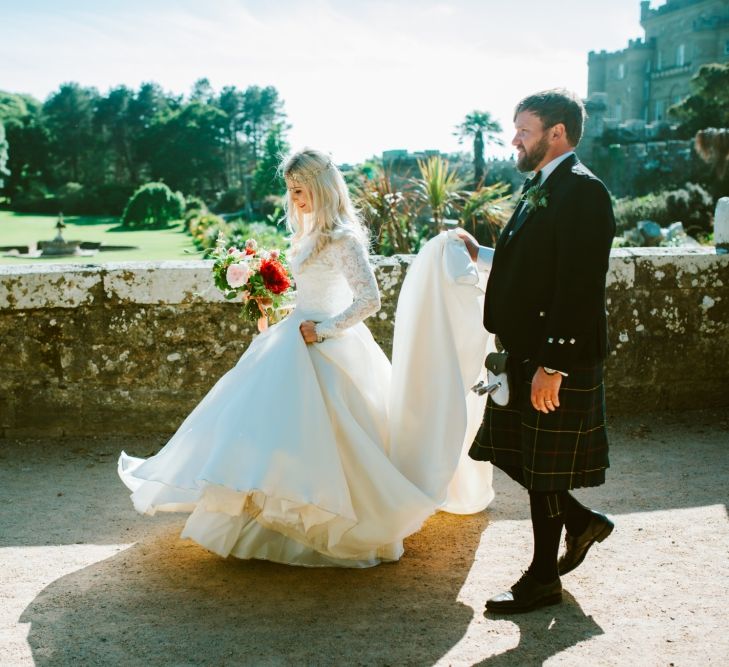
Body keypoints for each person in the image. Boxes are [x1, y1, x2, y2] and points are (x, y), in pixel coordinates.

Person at [119, 148, 492, 567]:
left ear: (320, 187)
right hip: (293, 336)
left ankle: (342, 523)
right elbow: (307, 294)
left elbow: (369, 299)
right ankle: (271, 522)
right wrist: (269, 307)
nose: (294, 199)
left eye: (300, 190)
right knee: (271, 430)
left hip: (327, 344)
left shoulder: (344, 238)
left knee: (340, 438)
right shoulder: (307, 234)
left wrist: (325, 329)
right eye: (290, 191)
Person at [461, 89, 616, 613]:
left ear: (557, 133)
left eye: (524, 130)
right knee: (520, 459)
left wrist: (553, 365)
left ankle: (543, 578)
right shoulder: (538, 187)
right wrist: (478, 253)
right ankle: (580, 522)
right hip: (525, 352)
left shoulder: (583, 192)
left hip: (555, 357)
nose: (514, 139)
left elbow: (578, 286)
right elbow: (528, 265)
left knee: (541, 468)